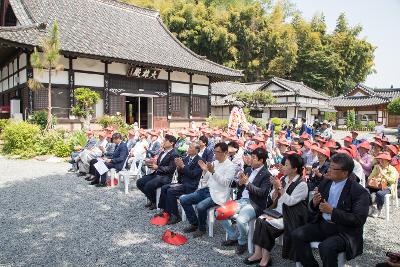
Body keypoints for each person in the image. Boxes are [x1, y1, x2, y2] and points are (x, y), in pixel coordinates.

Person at [291, 153, 370, 267]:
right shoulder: (326, 182)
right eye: (330, 166)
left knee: (326, 247)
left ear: (345, 172)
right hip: (324, 224)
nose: (329, 170)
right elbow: (314, 208)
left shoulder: (359, 192)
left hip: (344, 231)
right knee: (297, 234)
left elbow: (358, 220)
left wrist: (332, 211)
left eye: (333, 168)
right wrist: (314, 203)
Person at [245, 154, 308, 266]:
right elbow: (273, 198)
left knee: (265, 224)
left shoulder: (302, 184)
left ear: (295, 168)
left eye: (286, 165)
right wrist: (275, 188)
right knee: (260, 220)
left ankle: (266, 257)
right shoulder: (284, 179)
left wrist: (279, 187)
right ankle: (258, 252)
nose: (282, 167)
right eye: (283, 164)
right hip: (278, 212)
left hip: (291, 217)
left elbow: (290, 202)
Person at [220, 147, 272, 255]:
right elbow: (240, 186)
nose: (250, 159)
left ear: (261, 160)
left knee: (241, 220)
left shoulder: (267, 175)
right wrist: (240, 183)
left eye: (253, 158)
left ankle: (242, 242)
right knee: (220, 212)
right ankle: (234, 236)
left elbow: (262, 193)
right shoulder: (248, 170)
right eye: (251, 157)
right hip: (242, 201)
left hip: (254, 204)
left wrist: (247, 183)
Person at [179, 142, 236, 238]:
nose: (215, 154)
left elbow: (225, 183)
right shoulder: (214, 162)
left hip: (218, 194)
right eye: (214, 151)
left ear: (225, 152)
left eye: (218, 152)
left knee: (200, 206)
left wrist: (213, 172)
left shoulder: (230, 166)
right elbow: (206, 179)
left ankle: (202, 228)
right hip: (207, 190)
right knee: (184, 199)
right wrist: (205, 170)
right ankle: (194, 223)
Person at [157, 142, 202, 224]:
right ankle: (166, 211)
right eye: (189, 147)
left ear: (196, 150)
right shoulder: (186, 158)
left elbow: (193, 175)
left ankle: (176, 215)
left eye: (191, 147)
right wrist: (178, 167)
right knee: (164, 187)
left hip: (191, 185)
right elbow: (181, 172)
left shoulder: (200, 161)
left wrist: (183, 166)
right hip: (182, 183)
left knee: (171, 191)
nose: (188, 149)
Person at [136, 134, 178, 210]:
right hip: (157, 174)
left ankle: (155, 202)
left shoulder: (174, 154)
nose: (163, 142)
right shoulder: (162, 152)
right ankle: (153, 200)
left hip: (166, 177)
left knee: (148, 185)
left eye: (165, 141)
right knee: (139, 182)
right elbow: (158, 164)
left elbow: (171, 169)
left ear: (172, 143)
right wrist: (151, 164)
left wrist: (158, 167)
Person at [367, 152, 399, 218]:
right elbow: (370, 177)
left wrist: (383, 174)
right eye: (380, 159)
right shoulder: (377, 167)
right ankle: (371, 206)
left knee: (380, 193)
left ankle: (378, 209)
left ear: (387, 161)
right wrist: (376, 176)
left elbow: (392, 180)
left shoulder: (392, 169)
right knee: (365, 190)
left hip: (388, 186)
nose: (381, 161)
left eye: (383, 159)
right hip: (376, 185)